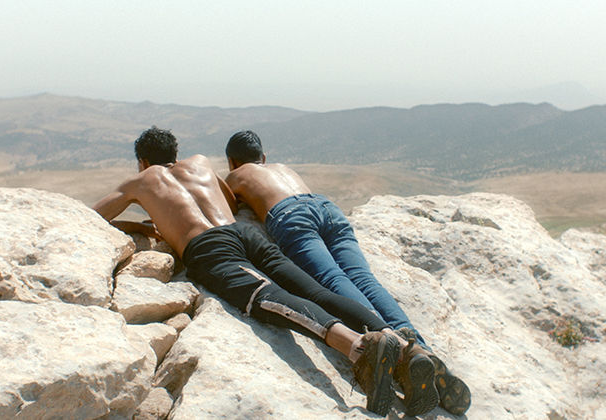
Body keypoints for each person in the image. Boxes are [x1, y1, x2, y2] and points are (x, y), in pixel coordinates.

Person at [92, 126, 434, 417]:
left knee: (269, 299)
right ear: (175, 152)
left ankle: (360, 347)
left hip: (209, 249)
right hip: (243, 233)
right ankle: (405, 348)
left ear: (142, 161)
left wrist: (144, 226)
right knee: (315, 290)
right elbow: (228, 199)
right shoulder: (198, 164)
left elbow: (94, 215)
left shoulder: (138, 181)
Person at [224, 130, 471, 416]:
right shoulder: (282, 168)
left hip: (291, 217)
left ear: (232, 161)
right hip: (326, 208)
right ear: (263, 157)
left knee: (334, 280)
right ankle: (421, 351)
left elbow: (226, 206)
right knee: (365, 279)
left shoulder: (235, 176)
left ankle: (400, 355)